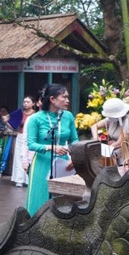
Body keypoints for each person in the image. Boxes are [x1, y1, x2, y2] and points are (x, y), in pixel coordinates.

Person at [25, 84, 79, 215]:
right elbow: (31, 144)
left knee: (62, 199)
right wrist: (51, 147)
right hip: (42, 163)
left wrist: (76, 157)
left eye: (68, 97)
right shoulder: (35, 118)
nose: (68, 100)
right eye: (64, 97)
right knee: (40, 198)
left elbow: (74, 140)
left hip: (63, 163)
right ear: (52, 99)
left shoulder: (68, 116)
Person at [90, 97, 129, 165]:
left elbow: (119, 143)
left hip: (127, 157)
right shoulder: (112, 119)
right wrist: (96, 138)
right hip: (114, 153)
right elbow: (94, 126)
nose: (109, 117)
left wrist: (102, 151)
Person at [9, 95, 36, 187]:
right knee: (19, 157)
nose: (25, 104)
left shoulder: (35, 115)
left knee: (30, 157)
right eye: (24, 102)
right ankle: (19, 179)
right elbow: (13, 127)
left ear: (33, 103)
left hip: (31, 137)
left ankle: (29, 179)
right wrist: (6, 122)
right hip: (20, 136)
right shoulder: (20, 113)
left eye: (28, 102)